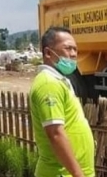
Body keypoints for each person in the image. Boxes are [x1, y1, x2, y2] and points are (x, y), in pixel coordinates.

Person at [29, 26, 95, 177]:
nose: (73, 54)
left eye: (75, 50)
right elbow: (55, 134)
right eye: (67, 48)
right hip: (61, 173)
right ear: (47, 53)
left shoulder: (60, 81)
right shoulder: (49, 84)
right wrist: (78, 174)